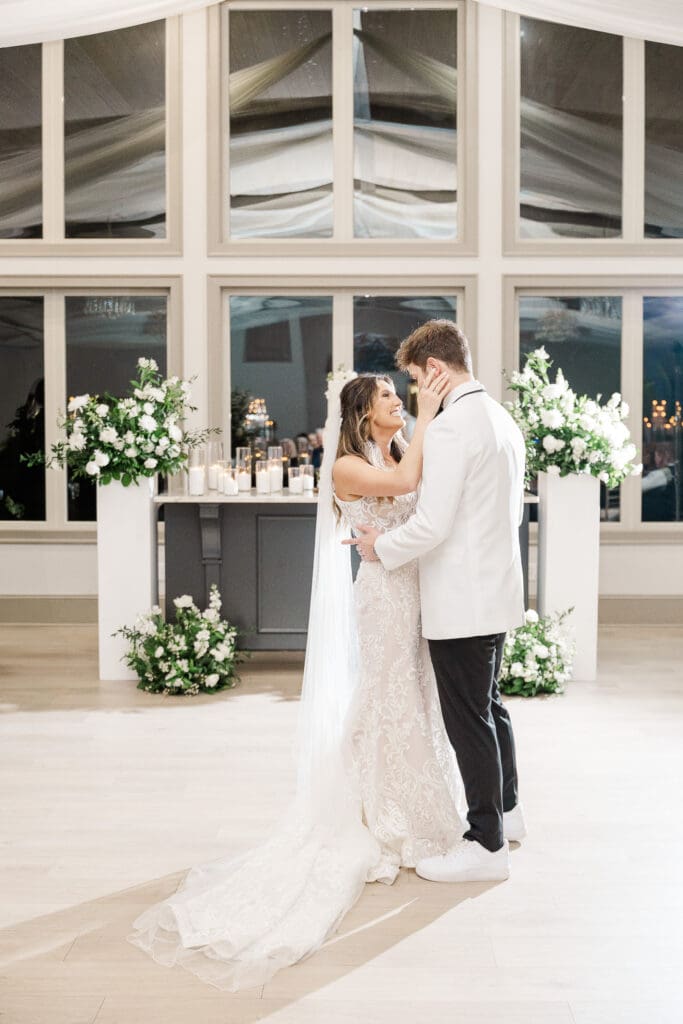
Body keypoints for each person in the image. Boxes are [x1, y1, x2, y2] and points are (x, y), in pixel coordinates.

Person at [128, 365, 464, 991]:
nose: (400, 402)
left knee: (416, 698)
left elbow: (423, 495)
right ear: (364, 414)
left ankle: (418, 805)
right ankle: (385, 813)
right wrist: (430, 407)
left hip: (419, 594)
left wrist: (422, 422)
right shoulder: (348, 467)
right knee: (385, 698)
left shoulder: (396, 447)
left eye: (401, 394)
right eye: (390, 396)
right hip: (385, 599)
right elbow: (405, 481)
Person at [348, 319, 527, 884]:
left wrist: (381, 547)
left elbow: (432, 523)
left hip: (460, 598)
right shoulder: (501, 419)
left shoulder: (451, 429)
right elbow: (512, 514)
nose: (411, 393)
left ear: (435, 370)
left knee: (469, 719)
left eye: (414, 380)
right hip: (495, 590)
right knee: (490, 706)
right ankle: (510, 811)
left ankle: (486, 844)